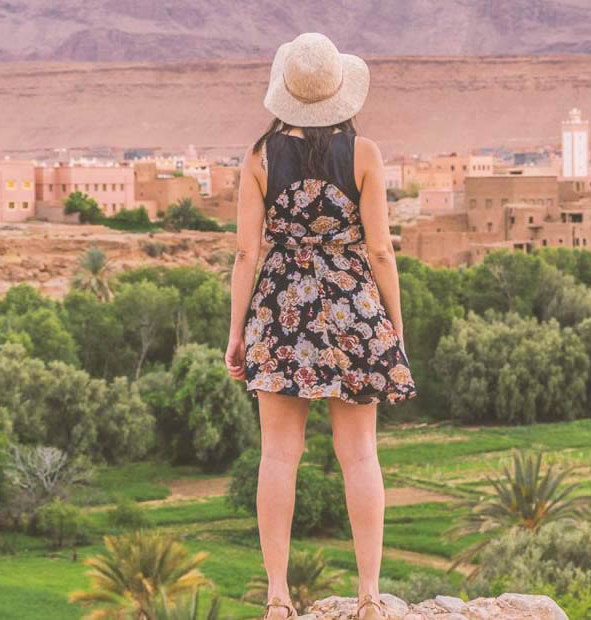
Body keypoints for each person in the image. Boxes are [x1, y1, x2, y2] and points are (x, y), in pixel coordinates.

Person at [224, 32, 417, 620]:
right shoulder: (364, 155)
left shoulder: (259, 158)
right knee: (359, 456)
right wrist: (394, 330)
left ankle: (278, 596)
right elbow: (381, 251)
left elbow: (245, 254)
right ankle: (368, 596)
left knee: (278, 458)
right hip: (354, 312)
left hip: (280, 313)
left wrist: (237, 333)